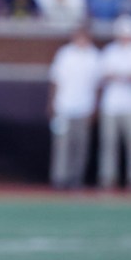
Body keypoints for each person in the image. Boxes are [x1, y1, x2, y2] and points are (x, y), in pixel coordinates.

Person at [97, 14, 131, 190]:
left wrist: (121, 76)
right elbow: (105, 75)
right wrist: (125, 75)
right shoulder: (110, 51)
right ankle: (108, 178)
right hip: (111, 104)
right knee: (109, 143)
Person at [48, 25, 100, 190]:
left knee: (80, 146)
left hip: (84, 107)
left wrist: (95, 107)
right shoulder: (65, 54)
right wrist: (52, 103)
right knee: (62, 146)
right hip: (64, 106)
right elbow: (55, 80)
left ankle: (76, 179)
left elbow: (98, 85)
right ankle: (59, 178)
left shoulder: (94, 56)